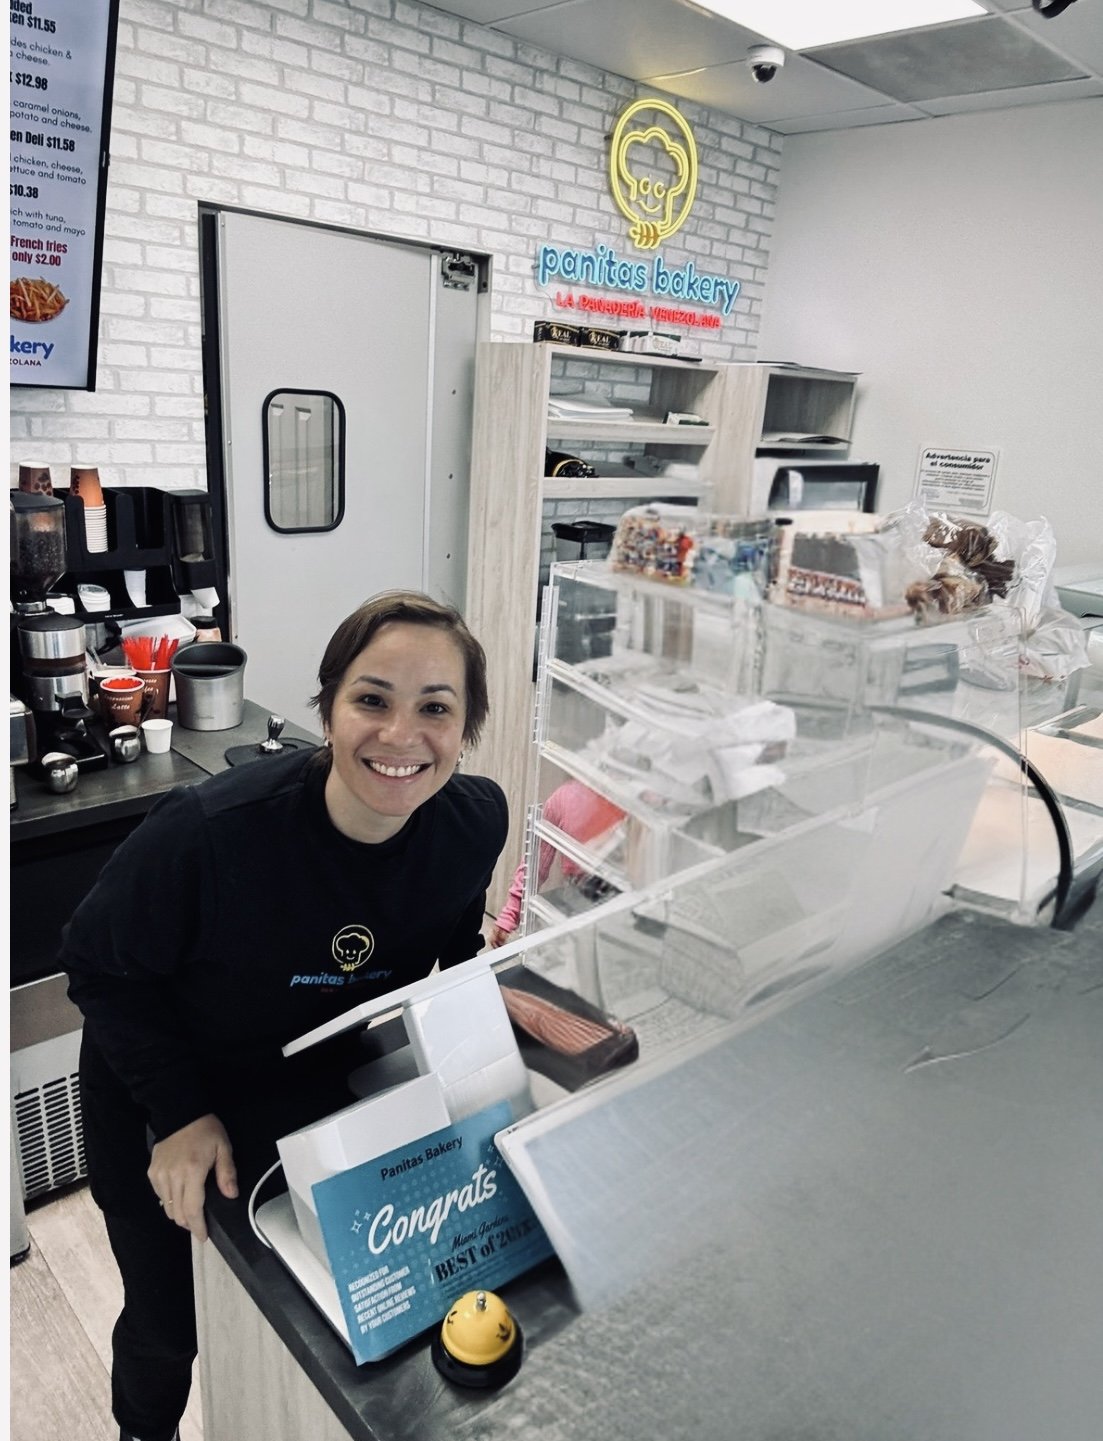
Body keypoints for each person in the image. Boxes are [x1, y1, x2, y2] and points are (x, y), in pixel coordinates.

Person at [61, 591, 508, 1441]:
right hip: (165, 1088)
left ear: (466, 725)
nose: (400, 735)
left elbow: (451, 937)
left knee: (302, 1300)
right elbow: (98, 964)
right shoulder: (212, 831)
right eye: (371, 699)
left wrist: (480, 1017)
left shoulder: (473, 820)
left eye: (435, 708)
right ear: (329, 706)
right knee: (169, 1324)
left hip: (310, 1081)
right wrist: (181, 1115)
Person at [488, 778, 624, 947]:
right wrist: (510, 914)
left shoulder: (633, 804)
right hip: (580, 894)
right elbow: (535, 864)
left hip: (622, 897)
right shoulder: (565, 797)